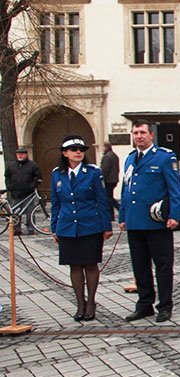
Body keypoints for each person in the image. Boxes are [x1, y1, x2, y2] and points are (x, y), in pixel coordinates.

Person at [120, 120, 180, 323]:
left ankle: (165, 306)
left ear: (151, 135)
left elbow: (175, 189)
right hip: (134, 221)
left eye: (143, 132)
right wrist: (122, 216)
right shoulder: (130, 159)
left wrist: (175, 215)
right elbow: (125, 189)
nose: (139, 136)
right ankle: (144, 304)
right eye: (135, 132)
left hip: (157, 222)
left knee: (163, 266)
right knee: (140, 266)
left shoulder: (165, 157)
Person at [50, 136, 114, 322]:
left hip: (90, 225)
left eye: (81, 149)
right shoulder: (57, 174)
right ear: (65, 153)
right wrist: (55, 228)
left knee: (90, 264)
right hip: (68, 226)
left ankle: (91, 302)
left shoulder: (93, 172)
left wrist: (106, 225)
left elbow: (102, 200)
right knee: (74, 265)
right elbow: (55, 203)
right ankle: (80, 302)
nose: (78, 152)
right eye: (74, 149)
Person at [5, 147, 42, 234]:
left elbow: (38, 178)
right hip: (15, 192)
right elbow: (7, 176)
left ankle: (30, 228)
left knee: (30, 212)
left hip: (28, 193)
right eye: (18, 154)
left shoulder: (33, 165)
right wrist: (9, 186)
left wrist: (31, 187)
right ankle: (17, 229)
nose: (20, 156)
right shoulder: (12, 165)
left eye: (22, 154)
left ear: (26, 155)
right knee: (16, 212)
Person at [100, 142, 120, 212]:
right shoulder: (114, 155)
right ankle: (116, 210)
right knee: (109, 197)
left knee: (108, 198)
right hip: (114, 179)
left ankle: (116, 210)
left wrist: (102, 179)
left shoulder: (107, 157)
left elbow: (105, 169)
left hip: (108, 180)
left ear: (106, 147)